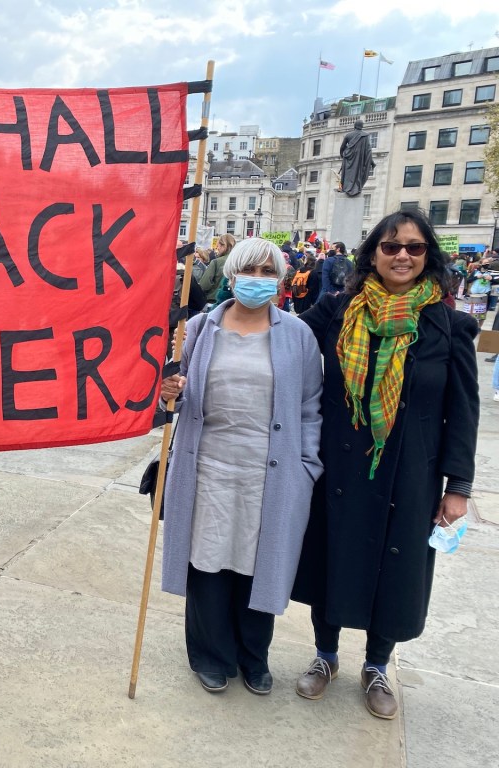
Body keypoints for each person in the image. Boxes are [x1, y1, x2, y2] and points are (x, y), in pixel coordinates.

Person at [291, 209, 478, 721]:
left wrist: (458, 485)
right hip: (340, 463)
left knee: (396, 568)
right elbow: (278, 341)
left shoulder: (449, 325)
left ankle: (377, 665)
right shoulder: (337, 310)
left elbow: (463, 410)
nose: (402, 256)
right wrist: (209, 334)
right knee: (330, 555)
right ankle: (325, 654)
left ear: (427, 257)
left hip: (411, 471)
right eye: (391, 246)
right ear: (373, 252)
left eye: (414, 248)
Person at [160, 237, 324, 695]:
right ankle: (210, 654)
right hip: (208, 465)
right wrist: (168, 390)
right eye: (247, 271)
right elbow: (173, 391)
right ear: (230, 276)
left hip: (270, 470)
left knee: (258, 562)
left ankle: (254, 655)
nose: (256, 281)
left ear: (281, 279)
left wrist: (307, 465)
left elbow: (311, 406)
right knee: (208, 561)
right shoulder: (196, 329)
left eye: (266, 272)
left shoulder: (298, 335)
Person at [339, 119, 375, 197]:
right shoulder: (365, 136)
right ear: (362, 126)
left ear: (354, 126)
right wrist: (371, 161)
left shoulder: (348, 135)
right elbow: (368, 150)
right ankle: (356, 188)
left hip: (348, 159)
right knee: (357, 174)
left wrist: (344, 156)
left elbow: (342, 148)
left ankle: (346, 187)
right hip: (359, 161)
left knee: (347, 175)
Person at [197, 234, 236, 304]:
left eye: (218, 246)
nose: (217, 248)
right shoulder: (240, 262)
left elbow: (204, 285)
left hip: (214, 301)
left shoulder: (216, 262)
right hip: (234, 302)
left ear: (223, 246)